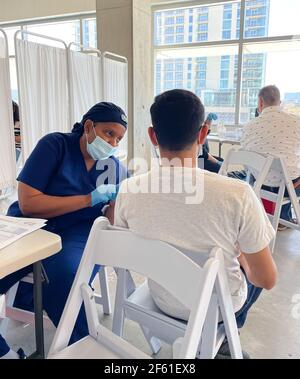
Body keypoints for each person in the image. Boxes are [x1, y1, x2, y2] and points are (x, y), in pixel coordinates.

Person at [114, 89, 277, 359]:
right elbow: (267, 279)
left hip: (162, 301)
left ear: (153, 136)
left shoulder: (129, 189)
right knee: (255, 266)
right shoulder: (237, 194)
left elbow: (121, 250)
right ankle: (224, 338)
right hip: (216, 308)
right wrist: (243, 259)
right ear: (203, 134)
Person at [0, 102, 129, 359]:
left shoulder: (114, 169)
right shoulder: (55, 146)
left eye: (119, 139)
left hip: (76, 232)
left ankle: (83, 350)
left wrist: (120, 201)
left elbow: (114, 223)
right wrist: (88, 199)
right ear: (89, 126)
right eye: (108, 133)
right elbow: (29, 203)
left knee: (64, 279)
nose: (113, 143)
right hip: (29, 226)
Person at [241, 85, 300, 224]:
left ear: (260, 102)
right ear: (279, 103)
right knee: (290, 170)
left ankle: (280, 217)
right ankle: (283, 218)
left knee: (280, 170)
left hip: (259, 185)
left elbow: (246, 164)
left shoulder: (248, 126)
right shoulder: (296, 121)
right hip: (289, 188)